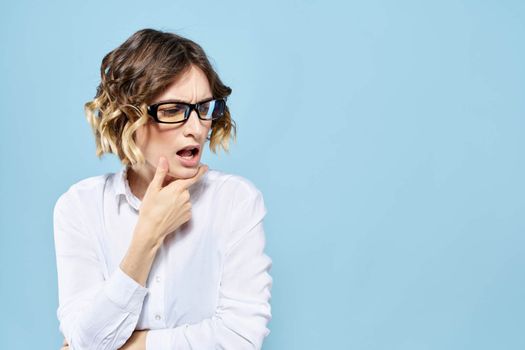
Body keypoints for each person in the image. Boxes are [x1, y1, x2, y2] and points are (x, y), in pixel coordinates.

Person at [53, 28, 273, 350]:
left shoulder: (235, 202)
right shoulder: (80, 207)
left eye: (205, 109)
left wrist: (132, 345)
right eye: (172, 111)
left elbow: (240, 338)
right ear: (128, 118)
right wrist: (148, 236)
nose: (197, 129)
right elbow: (88, 340)